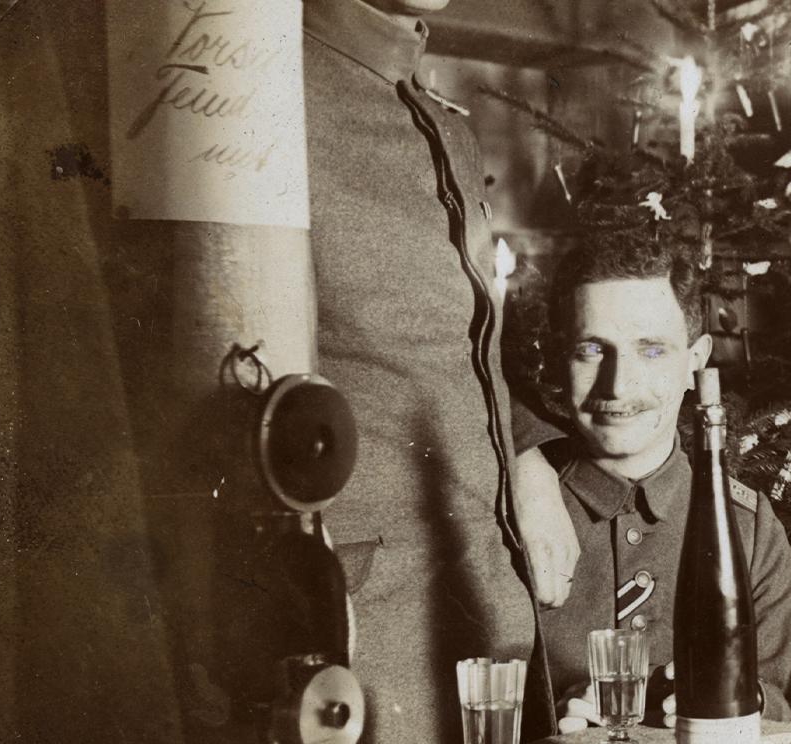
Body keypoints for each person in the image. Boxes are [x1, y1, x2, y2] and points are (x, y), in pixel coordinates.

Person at [302, 0, 554, 739]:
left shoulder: (441, 117)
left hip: (484, 591)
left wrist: (528, 452)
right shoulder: (265, 94)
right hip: (364, 623)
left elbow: (458, 347)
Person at [527, 237, 791, 733]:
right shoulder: (525, 513)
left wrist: (745, 699)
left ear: (696, 360)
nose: (618, 385)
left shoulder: (750, 527)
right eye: (592, 350)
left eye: (651, 350)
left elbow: (777, 696)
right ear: (557, 358)